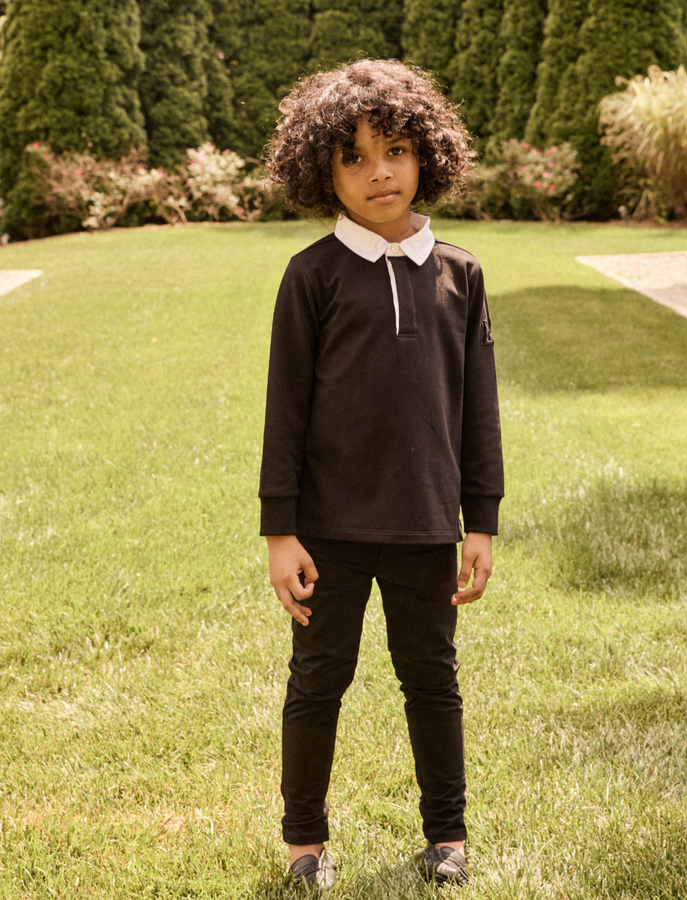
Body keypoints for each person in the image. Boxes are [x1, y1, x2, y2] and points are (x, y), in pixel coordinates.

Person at [259, 58, 504, 889]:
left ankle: (448, 836)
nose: (379, 173)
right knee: (318, 681)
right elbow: (283, 412)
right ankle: (303, 845)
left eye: (395, 150)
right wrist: (280, 530)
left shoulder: (461, 275)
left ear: (425, 155)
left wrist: (482, 519)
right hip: (327, 529)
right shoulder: (312, 276)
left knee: (432, 680)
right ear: (320, 169)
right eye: (354, 157)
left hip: (426, 525)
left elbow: (479, 412)